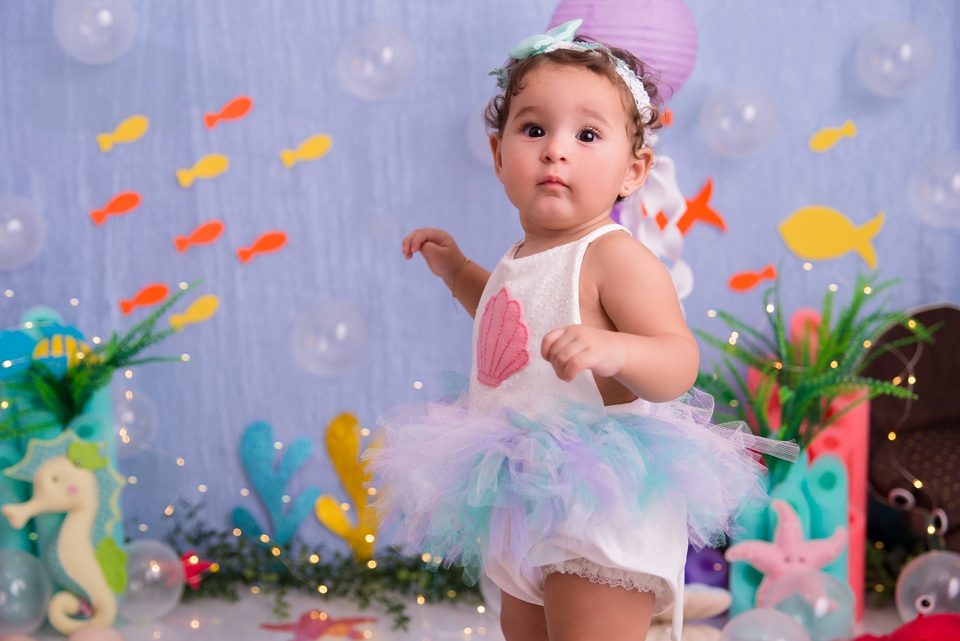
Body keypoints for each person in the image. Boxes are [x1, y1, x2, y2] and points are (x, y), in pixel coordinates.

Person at [367, 19, 798, 641]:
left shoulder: (615, 257)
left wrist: (615, 348)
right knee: (524, 630)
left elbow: (678, 363)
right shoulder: (521, 256)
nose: (555, 150)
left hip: (600, 494)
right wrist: (459, 272)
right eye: (533, 129)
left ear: (633, 171)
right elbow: (512, 324)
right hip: (521, 487)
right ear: (498, 156)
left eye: (587, 134)